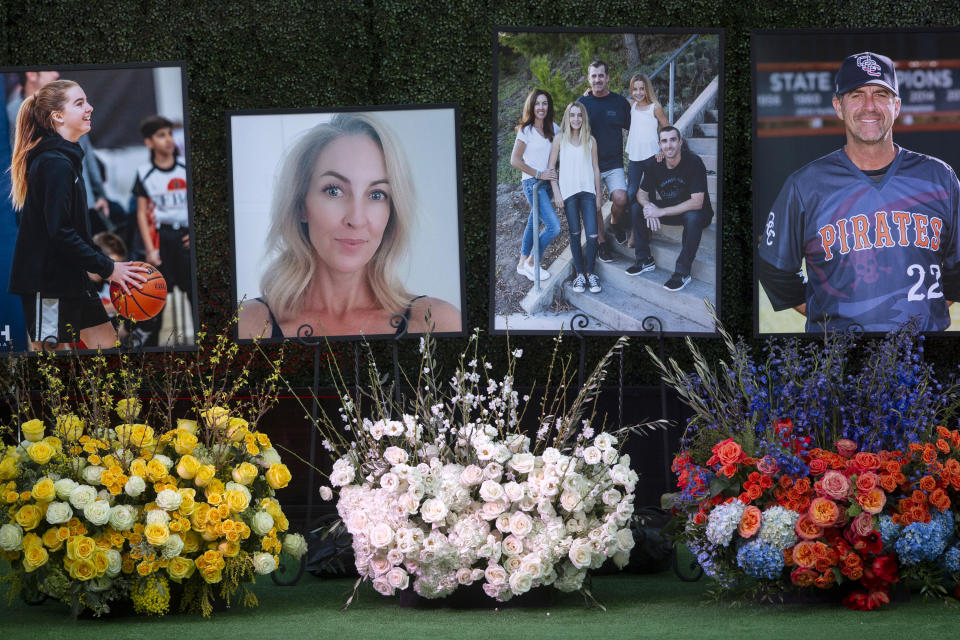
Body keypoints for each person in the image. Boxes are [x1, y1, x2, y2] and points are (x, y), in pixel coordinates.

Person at [758, 52, 960, 332]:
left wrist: (926, 310)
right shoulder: (805, 185)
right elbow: (775, 269)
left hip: (922, 355)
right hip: (839, 357)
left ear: (896, 105)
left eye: (880, 94)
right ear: (838, 107)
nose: (869, 106)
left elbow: (958, 266)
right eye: (856, 94)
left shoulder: (940, 177)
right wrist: (824, 310)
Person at [238, 112, 461, 339]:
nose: (356, 219)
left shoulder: (437, 323)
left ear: (392, 211)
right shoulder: (246, 325)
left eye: (376, 194)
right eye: (334, 190)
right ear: (301, 205)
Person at [8, 79, 145, 349]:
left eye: (87, 101)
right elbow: (59, 232)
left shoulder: (66, 159)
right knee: (51, 367)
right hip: (45, 286)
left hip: (71, 277)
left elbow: (73, 231)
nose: (90, 108)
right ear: (57, 116)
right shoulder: (53, 164)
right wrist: (108, 267)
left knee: (108, 349)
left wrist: (104, 266)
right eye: (79, 103)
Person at [632, 126, 713, 292]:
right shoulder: (655, 164)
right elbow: (641, 194)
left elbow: (697, 202)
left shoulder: (694, 162)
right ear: (659, 144)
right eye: (664, 141)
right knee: (636, 208)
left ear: (680, 142)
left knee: (693, 217)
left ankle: (682, 272)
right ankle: (644, 259)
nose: (669, 145)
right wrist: (648, 207)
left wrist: (660, 212)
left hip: (697, 212)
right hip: (673, 209)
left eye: (673, 140)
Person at [133, 115, 193, 303]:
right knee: (157, 294)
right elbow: (142, 213)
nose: (168, 139)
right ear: (149, 142)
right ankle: (153, 332)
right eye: (161, 135)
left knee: (194, 291)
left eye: (169, 134)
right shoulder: (145, 173)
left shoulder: (186, 167)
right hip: (163, 236)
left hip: (186, 235)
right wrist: (150, 249)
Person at [578, 60, 631, 262]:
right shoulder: (582, 104)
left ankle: (616, 223)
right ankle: (602, 243)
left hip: (614, 163)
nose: (598, 79)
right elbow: (568, 131)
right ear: (589, 79)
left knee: (620, 198)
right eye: (594, 76)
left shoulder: (619, 102)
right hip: (590, 166)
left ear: (607, 77)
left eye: (601, 75)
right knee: (595, 205)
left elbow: (634, 127)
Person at [547, 102, 603, 294]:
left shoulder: (590, 140)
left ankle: (590, 273)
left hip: (588, 191)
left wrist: (599, 194)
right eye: (572, 115)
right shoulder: (559, 139)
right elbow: (551, 168)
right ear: (567, 117)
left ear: (584, 118)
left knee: (593, 234)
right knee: (575, 234)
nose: (576, 119)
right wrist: (556, 192)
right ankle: (579, 274)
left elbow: (596, 168)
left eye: (579, 115)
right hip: (568, 193)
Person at [510, 89, 560, 283]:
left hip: (547, 185)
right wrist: (538, 174)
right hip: (533, 184)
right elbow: (514, 160)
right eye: (537, 103)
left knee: (534, 222)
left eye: (545, 103)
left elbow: (572, 127)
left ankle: (522, 263)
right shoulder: (526, 131)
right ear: (531, 106)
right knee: (553, 227)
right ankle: (532, 261)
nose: (541, 107)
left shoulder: (553, 128)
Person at [625, 73, 669, 250]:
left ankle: (643, 231)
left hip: (652, 156)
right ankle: (636, 228)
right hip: (635, 157)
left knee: (647, 195)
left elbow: (667, 127)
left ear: (647, 89)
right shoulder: (631, 105)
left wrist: (663, 150)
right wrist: (591, 91)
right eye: (635, 89)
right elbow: (611, 99)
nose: (638, 92)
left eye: (642, 89)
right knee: (631, 193)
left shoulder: (655, 107)